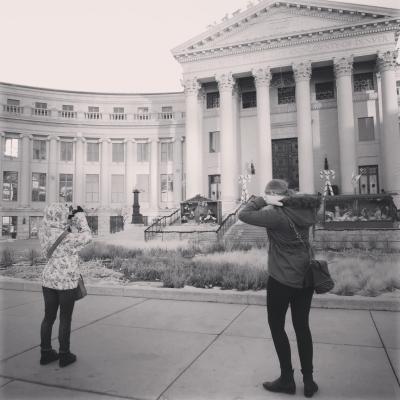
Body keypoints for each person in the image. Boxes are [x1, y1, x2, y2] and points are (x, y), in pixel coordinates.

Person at [238, 179, 321, 398]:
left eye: (269, 196)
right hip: (306, 279)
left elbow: (244, 214)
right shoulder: (305, 209)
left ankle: (287, 379)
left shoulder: (275, 215)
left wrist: (263, 199)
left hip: (281, 278)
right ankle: (309, 381)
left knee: (277, 326)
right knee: (302, 327)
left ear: (274, 196)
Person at [38, 203, 92, 367]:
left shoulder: (43, 231)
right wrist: (80, 217)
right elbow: (87, 237)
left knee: (48, 317)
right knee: (65, 318)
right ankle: (64, 355)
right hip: (66, 280)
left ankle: (45, 353)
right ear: (60, 216)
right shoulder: (67, 237)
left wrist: (70, 220)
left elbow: (62, 227)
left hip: (48, 279)